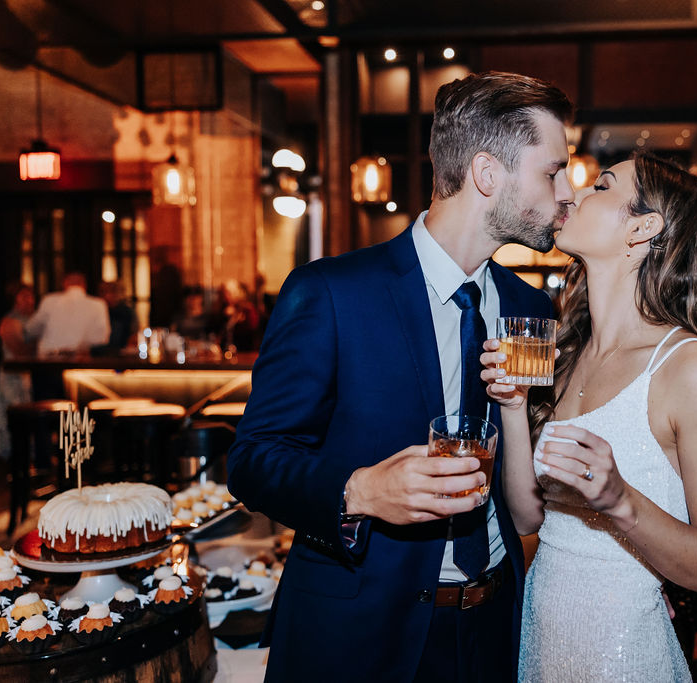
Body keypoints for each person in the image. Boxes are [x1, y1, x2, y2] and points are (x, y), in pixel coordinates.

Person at [227, 71, 575, 682]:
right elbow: (253, 459)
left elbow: (527, 499)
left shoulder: (532, 311)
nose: (567, 192)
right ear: (488, 175)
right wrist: (359, 492)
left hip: (494, 627)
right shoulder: (332, 293)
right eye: (553, 172)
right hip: (358, 638)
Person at [483, 153, 697, 681]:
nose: (574, 194)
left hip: (624, 653)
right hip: (540, 639)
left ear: (643, 227)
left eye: (601, 186)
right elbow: (527, 520)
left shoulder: (689, 367)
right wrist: (513, 409)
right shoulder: (564, 353)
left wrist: (619, 501)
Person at [0, 283, 35, 460]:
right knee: (15, 415)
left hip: (25, 375)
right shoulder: (10, 321)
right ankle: (16, 455)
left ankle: (28, 454)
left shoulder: (31, 319)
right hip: (12, 376)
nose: (30, 300)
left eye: (31, 296)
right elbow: (19, 351)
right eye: (24, 296)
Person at [96, 280, 138, 351]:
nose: (107, 295)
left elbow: (133, 335)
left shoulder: (127, 312)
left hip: (121, 353)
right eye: (103, 292)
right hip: (98, 353)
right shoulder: (97, 310)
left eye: (111, 292)